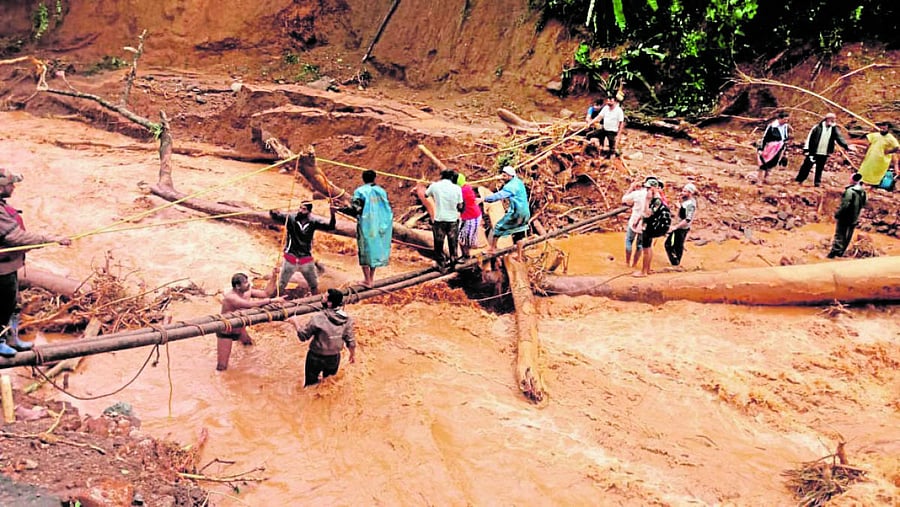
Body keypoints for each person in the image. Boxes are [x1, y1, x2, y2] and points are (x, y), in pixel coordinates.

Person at [0, 168, 71, 358]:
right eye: (10, 184)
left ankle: (11, 338)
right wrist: (50, 239)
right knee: (3, 305)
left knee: (13, 304)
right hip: (1, 270)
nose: (14, 187)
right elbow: (16, 237)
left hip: (8, 267)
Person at [216, 272, 284, 371]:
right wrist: (272, 301)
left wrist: (273, 277)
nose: (249, 284)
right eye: (245, 282)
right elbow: (249, 305)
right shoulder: (231, 297)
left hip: (240, 328)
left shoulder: (248, 291)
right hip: (227, 332)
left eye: (248, 281)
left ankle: (247, 364)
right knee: (222, 367)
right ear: (238, 286)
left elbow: (266, 293)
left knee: (249, 345)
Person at [290, 288, 356, 387]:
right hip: (334, 357)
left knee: (310, 386)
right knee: (328, 384)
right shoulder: (347, 319)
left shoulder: (318, 318)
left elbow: (303, 336)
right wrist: (352, 354)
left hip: (316, 357)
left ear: (329, 303)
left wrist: (295, 323)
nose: (322, 297)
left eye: (324, 297)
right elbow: (350, 340)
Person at [269, 200, 336, 297]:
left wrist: (332, 214)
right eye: (300, 208)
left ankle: (315, 302)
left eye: (303, 209)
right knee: (281, 284)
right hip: (290, 257)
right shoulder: (291, 218)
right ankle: (275, 301)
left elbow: (330, 226)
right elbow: (275, 215)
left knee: (314, 285)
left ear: (309, 211)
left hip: (305, 258)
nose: (300, 211)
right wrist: (274, 211)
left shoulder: (313, 222)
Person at [343, 170, 393, 287]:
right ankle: (371, 278)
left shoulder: (360, 191)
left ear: (363, 178)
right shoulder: (381, 191)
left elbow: (356, 210)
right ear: (375, 178)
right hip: (381, 224)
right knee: (375, 250)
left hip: (367, 225)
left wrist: (343, 207)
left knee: (365, 251)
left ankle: (367, 280)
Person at [477, 166, 531, 262]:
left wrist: (483, 199)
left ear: (511, 176)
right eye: (502, 175)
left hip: (517, 212)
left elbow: (498, 196)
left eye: (505, 176)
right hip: (525, 212)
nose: (502, 177)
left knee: (499, 227)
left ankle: (492, 249)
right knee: (520, 233)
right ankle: (519, 256)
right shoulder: (518, 182)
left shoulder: (510, 187)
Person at [795, 113, 855, 187]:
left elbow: (839, 138)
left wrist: (846, 146)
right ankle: (799, 180)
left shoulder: (834, 129)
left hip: (824, 152)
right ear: (827, 119)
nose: (833, 121)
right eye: (832, 119)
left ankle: (817, 183)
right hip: (813, 151)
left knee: (819, 168)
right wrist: (806, 149)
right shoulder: (817, 128)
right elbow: (809, 138)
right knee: (806, 166)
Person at [424, 169, 463, 271]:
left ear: (442, 176)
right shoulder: (457, 188)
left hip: (440, 219)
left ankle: (441, 263)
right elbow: (460, 206)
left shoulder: (434, 186)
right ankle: (454, 260)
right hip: (453, 219)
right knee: (453, 241)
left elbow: (426, 195)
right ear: (452, 178)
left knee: (439, 242)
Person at [827, 173, 867, 259]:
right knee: (848, 235)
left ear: (852, 180)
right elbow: (864, 204)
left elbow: (845, 204)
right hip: (855, 217)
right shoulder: (863, 191)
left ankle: (834, 252)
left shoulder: (850, 191)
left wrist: (838, 214)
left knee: (840, 233)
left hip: (845, 216)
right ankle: (842, 251)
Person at [633, 177, 664, 278]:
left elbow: (648, 213)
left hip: (649, 226)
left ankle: (644, 272)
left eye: (649, 188)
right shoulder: (654, 198)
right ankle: (648, 269)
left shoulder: (656, 200)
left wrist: (647, 200)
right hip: (649, 224)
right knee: (648, 248)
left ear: (654, 188)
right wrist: (638, 220)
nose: (646, 190)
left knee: (646, 249)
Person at [857, 121, 900, 187]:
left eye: (884, 128)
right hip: (871, 156)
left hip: (880, 160)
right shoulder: (875, 135)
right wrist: (865, 152)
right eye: (881, 128)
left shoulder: (890, 138)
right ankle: (861, 181)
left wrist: (888, 152)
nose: (882, 130)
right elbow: (868, 143)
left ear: (888, 129)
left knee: (875, 172)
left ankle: (870, 184)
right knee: (865, 169)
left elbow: (897, 147)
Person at [665, 183, 698, 266]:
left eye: (684, 191)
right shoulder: (685, 201)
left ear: (690, 193)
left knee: (676, 245)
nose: (682, 192)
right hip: (677, 226)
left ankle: (676, 263)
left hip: (681, 228)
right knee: (670, 244)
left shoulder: (691, 204)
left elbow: (687, 219)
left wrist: (676, 227)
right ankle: (675, 262)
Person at [756, 111, 791, 184]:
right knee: (764, 163)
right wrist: (761, 148)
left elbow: (785, 137)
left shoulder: (785, 127)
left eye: (787, 120)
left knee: (773, 162)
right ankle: (759, 180)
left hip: (779, 147)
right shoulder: (772, 126)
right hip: (770, 147)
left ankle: (766, 177)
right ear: (780, 119)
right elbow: (764, 138)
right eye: (785, 119)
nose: (786, 121)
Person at [621, 179, 648, 267]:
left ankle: (627, 262)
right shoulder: (651, 195)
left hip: (634, 221)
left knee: (629, 240)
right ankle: (634, 264)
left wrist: (631, 188)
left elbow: (624, 199)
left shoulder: (637, 194)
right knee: (640, 245)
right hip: (645, 224)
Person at [456, 172, 482, 259]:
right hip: (467, 216)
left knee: (466, 239)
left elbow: (458, 204)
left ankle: (467, 255)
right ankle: (465, 254)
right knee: (460, 236)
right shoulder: (466, 187)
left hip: (471, 217)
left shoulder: (463, 191)